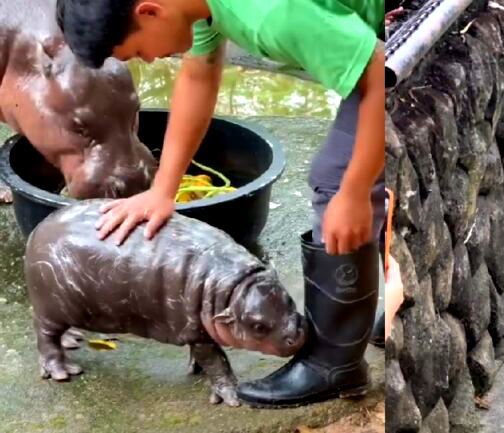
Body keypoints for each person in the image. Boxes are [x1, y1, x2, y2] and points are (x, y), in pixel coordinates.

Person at [56, 0, 385, 408]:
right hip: (374, 35)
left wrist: (353, 191)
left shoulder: (269, 15)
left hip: (403, 42)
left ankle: (335, 366)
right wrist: (163, 190)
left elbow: (377, 72)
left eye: (140, 51)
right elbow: (199, 72)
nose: (153, 59)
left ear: (148, 11)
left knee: (336, 180)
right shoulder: (193, 7)